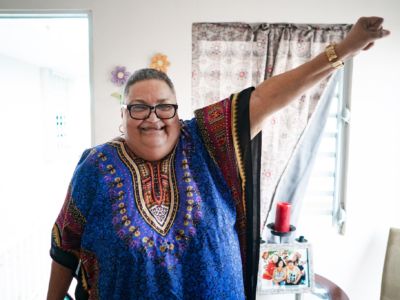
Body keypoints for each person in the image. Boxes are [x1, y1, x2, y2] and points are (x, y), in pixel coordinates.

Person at [47, 17, 389, 300]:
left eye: (164, 106)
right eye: (139, 107)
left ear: (177, 113)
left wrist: (344, 49)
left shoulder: (209, 140)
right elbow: (65, 243)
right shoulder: (94, 166)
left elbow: (268, 96)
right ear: (122, 116)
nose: (153, 117)